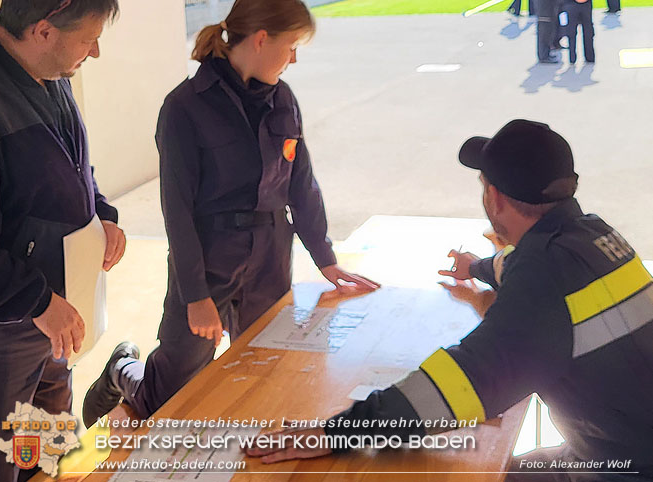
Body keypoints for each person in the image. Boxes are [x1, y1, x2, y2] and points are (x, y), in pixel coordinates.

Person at [245, 119, 653, 481]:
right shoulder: (594, 237)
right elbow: (522, 269)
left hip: (621, 466)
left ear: (494, 198)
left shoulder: (542, 274)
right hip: (623, 446)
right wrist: (475, 268)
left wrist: (337, 432)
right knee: (504, 468)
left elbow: (460, 384)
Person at [82, 0, 378, 427]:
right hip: (208, 260)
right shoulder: (185, 107)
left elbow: (302, 184)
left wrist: (325, 258)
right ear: (261, 39)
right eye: (291, 45)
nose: (293, 58)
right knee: (168, 398)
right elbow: (177, 211)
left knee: (264, 370)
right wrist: (197, 295)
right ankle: (122, 371)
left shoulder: (283, 100)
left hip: (271, 258)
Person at [0, 0, 125, 480]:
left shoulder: (49, 73)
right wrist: (39, 302)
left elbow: (69, 169)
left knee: (46, 448)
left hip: (55, 311)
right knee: (2, 454)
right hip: (6, 327)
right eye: (89, 39)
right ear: (43, 30)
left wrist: (100, 212)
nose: (96, 52)